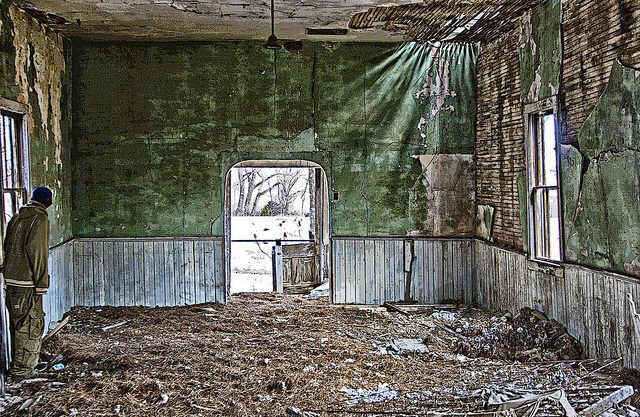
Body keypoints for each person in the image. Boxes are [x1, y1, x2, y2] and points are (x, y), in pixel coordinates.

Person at [3, 186, 52, 379]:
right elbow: (38, 252)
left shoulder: (17, 216)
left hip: (11, 280)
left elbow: (7, 245)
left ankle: (20, 364)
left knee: (18, 323)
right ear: (48, 202)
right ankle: (23, 370)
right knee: (30, 323)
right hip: (27, 281)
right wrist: (41, 284)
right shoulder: (39, 218)